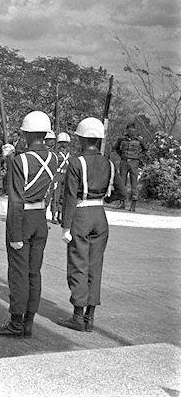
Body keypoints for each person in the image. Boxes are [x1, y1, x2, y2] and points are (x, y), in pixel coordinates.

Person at [0, 111, 57, 339]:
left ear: (26, 133)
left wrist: (15, 233)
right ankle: (28, 321)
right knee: (34, 273)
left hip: (23, 219)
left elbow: (16, 197)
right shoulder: (54, 158)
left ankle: (16, 322)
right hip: (40, 218)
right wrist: (11, 157)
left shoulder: (21, 160)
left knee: (18, 273)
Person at [58, 117, 127, 332]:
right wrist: (106, 199)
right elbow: (123, 192)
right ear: (98, 140)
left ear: (81, 138)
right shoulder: (109, 163)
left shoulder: (77, 162)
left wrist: (65, 226)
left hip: (81, 214)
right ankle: (90, 316)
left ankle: (78, 316)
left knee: (79, 264)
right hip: (100, 215)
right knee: (95, 265)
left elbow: (70, 195)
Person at [112, 122, 146, 212]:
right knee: (122, 182)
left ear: (135, 130)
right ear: (127, 129)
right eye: (130, 129)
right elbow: (116, 148)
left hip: (134, 162)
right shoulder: (122, 139)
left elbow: (145, 149)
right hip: (124, 162)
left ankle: (133, 204)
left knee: (134, 183)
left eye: (133, 129)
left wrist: (138, 157)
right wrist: (121, 156)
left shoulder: (139, 140)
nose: (131, 131)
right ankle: (122, 202)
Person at [50, 132, 72, 224]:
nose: (65, 144)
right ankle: (54, 215)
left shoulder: (70, 154)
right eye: (63, 142)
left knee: (63, 197)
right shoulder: (56, 153)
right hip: (57, 176)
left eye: (66, 142)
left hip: (66, 177)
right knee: (56, 196)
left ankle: (60, 214)